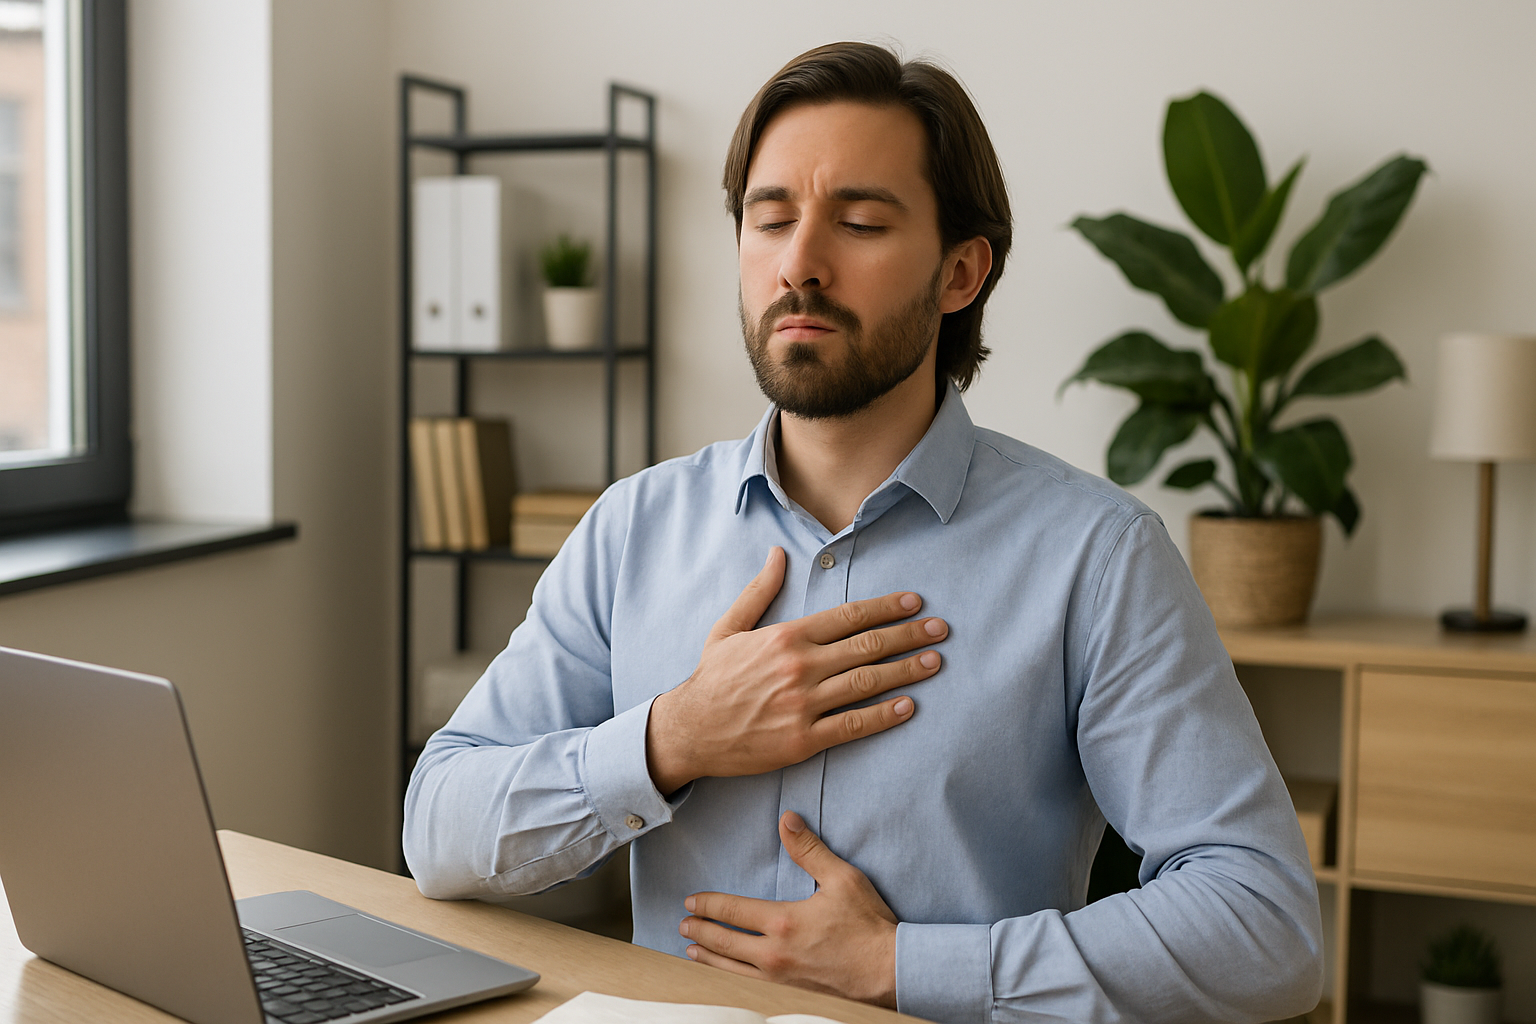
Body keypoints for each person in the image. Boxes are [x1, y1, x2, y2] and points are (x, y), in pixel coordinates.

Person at [404, 41, 1323, 1023]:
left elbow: (1266, 927)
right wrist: (675, 735)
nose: (799, 262)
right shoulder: (634, 526)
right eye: (770, 220)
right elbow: (439, 827)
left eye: (859, 221)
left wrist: (905, 966)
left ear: (961, 271)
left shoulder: (1096, 557)